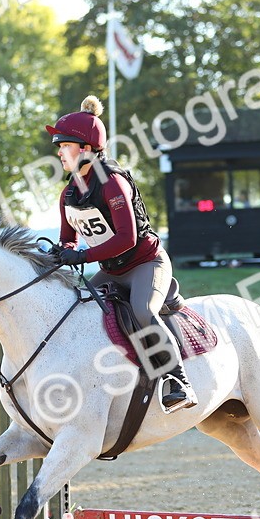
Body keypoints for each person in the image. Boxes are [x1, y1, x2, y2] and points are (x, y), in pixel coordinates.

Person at [47, 95, 197, 413]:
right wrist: (62, 253)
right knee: (76, 309)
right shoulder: (69, 192)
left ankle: (178, 381)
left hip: (145, 263)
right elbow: (68, 239)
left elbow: (127, 239)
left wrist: (83, 257)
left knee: (143, 311)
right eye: (58, 146)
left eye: (64, 145)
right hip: (112, 271)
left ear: (86, 148)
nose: (59, 152)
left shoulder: (112, 183)